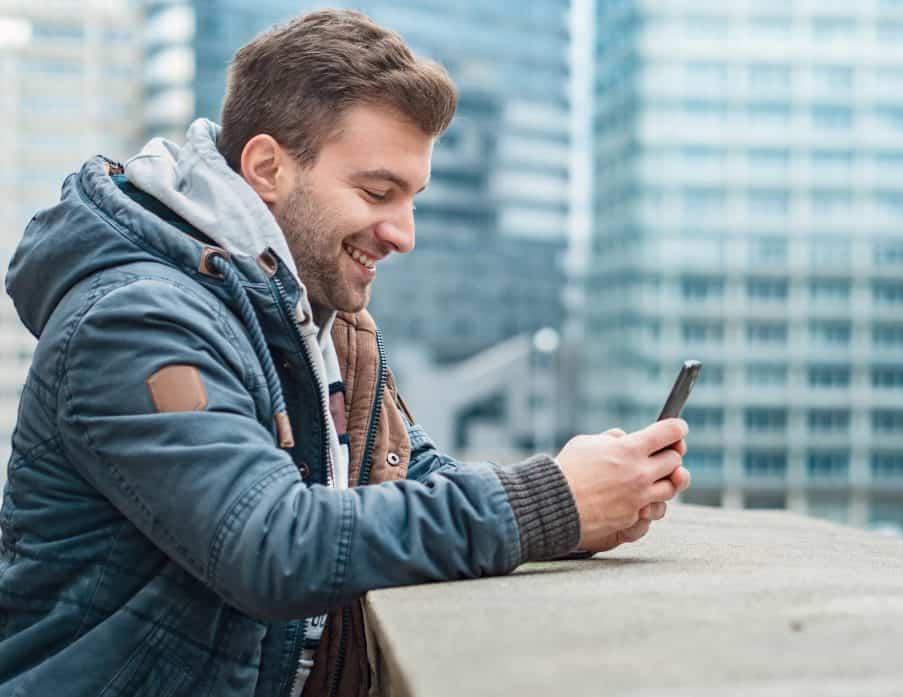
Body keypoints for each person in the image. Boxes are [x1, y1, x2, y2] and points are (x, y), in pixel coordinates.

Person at [0, 9, 689, 697]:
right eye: (377, 192)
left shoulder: (320, 321)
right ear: (267, 166)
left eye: (413, 198)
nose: (403, 234)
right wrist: (544, 504)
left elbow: (406, 480)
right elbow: (267, 542)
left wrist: (583, 503)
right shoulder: (137, 319)